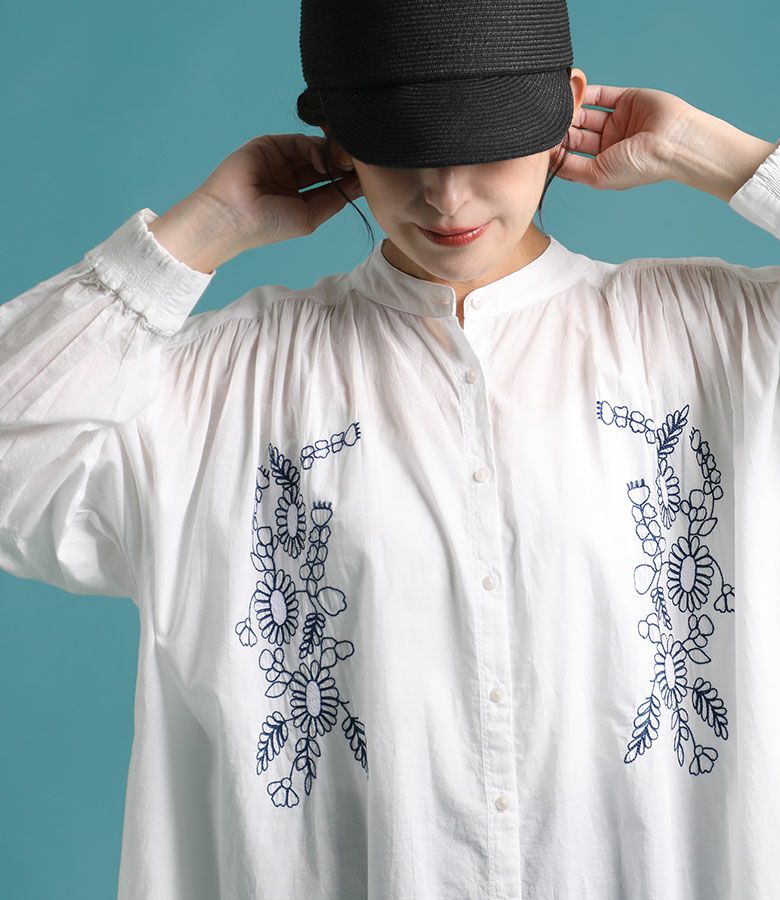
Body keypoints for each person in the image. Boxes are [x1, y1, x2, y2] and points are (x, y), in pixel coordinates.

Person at [2, 3, 779, 898]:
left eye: (487, 149)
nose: (446, 197)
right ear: (338, 143)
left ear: (566, 108)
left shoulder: (723, 342)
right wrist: (197, 232)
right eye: (401, 152)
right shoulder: (217, 386)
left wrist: (721, 157)